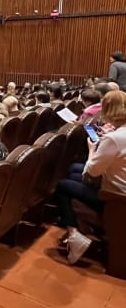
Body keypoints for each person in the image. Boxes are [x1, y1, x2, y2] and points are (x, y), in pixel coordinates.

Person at [54, 90, 126, 265]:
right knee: (73, 170)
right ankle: (80, 226)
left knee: (62, 186)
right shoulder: (118, 134)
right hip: (118, 187)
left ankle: (73, 235)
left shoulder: (115, 138)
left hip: (115, 197)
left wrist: (93, 149)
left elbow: (92, 172)